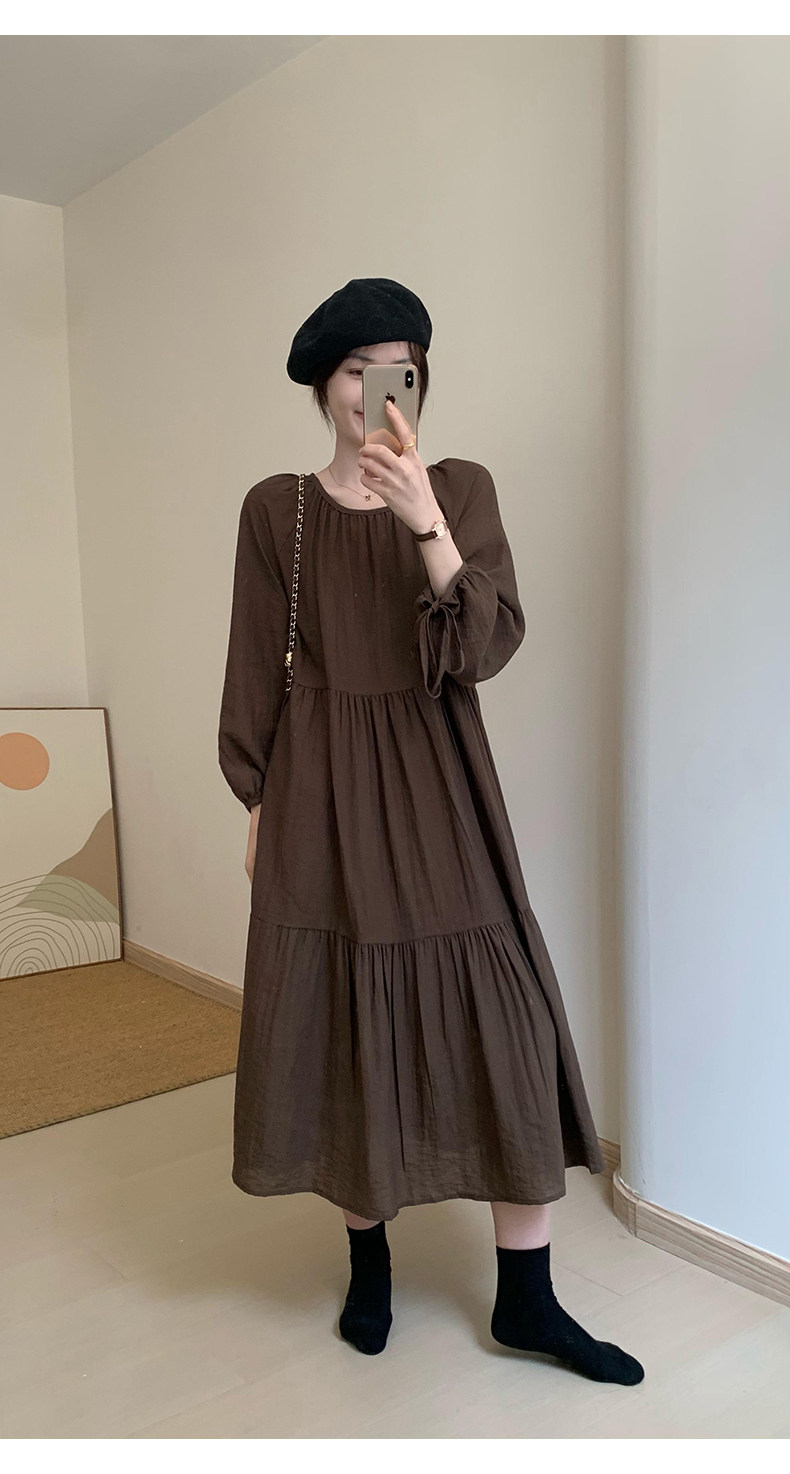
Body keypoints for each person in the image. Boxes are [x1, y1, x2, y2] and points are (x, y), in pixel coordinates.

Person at [218, 277, 643, 1384]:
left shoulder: (459, 487)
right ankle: (369, 1267)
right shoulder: (277, 509)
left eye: (398, 370)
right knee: (347, 1012)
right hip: (319, 788)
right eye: (355, 372)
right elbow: (255, 662)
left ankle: (527, 1300)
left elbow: (486, 644)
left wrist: (423, 522)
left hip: (439, 771)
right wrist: (256, 799)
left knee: (503, 1013)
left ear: (419, 381)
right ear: (323, 387)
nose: (376, 392)